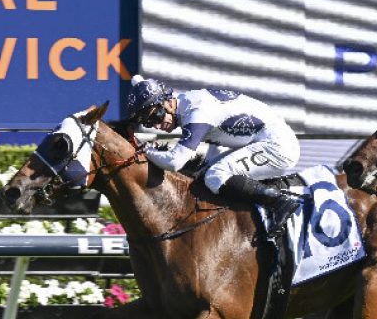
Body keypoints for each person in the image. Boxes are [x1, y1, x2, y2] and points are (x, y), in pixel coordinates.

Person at [125, 75, 302, 236]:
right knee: (202, 173)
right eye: (149, 123)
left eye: (156, 116)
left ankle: (279, 202)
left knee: (216, 176)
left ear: (168, 102)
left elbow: (174, 162)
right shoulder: (186, 103)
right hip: (262, 139)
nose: (156, 126)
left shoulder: (196, 113)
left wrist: (143, 150)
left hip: (279, 146)